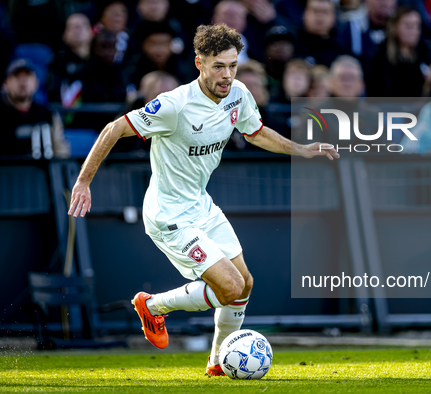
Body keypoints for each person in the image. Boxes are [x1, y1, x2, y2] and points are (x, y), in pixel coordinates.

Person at [67, 23, 338, 375]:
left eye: (232, 65)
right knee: (228, 287)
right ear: (199, 63)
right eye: (218, 66)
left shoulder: (238, 94)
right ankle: (153, 306)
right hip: (169, 216)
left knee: (245, 285)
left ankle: (217, 364)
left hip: (202, 206)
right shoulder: (174, 105)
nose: (227, 74)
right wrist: (84, 181)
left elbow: (255, 132)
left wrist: (300, 149)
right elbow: (113, 128)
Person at [0, 59, 70, 159]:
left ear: (36, 83)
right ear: (5, 84)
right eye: (17, 76)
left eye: (27, 76)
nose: (23, 81)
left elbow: (61, 151)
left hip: (42, 172)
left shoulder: (48, 115)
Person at [367, 7, 430, 97]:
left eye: (417, 26)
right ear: (395, 27)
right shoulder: (379, 55)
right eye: (408, 26)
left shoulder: (426, 52)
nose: (413, 31)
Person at [47, 13, 94, 107]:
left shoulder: (102, 62)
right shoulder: (56, 64)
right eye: (72, 26)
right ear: (65, 35)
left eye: (83, 25)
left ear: (91, 32)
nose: (78, 29)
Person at [295, 0, 347, 67]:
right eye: (315, 11)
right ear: (304, 14)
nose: (319, 16)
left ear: (334, 17)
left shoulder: (343, 45)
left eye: (325, 12)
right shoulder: (292, 42)